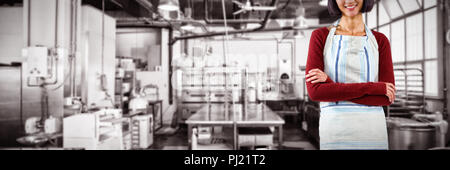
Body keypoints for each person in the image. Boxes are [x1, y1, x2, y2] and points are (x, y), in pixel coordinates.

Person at [305, 0, 395, 150]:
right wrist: (374, 88)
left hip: (372, 133)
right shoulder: (320, 36)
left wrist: (330, 84)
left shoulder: (380, 41)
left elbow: (385, 97)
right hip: (335, 133)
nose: (349, 0)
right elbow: (315, 92)